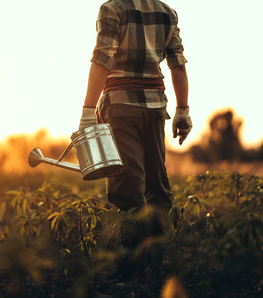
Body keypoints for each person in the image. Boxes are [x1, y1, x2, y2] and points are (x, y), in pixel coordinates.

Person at [79, 0, 192, 217]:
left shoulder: (112, 9)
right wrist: (183, 110)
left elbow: (103, 59)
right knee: (156, 186)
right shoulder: (167, 12)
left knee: (126, 190)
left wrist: (87, 112)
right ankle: (158, 245)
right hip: (156, 107)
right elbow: (177, 62)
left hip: (120, 107)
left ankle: (134, 246)